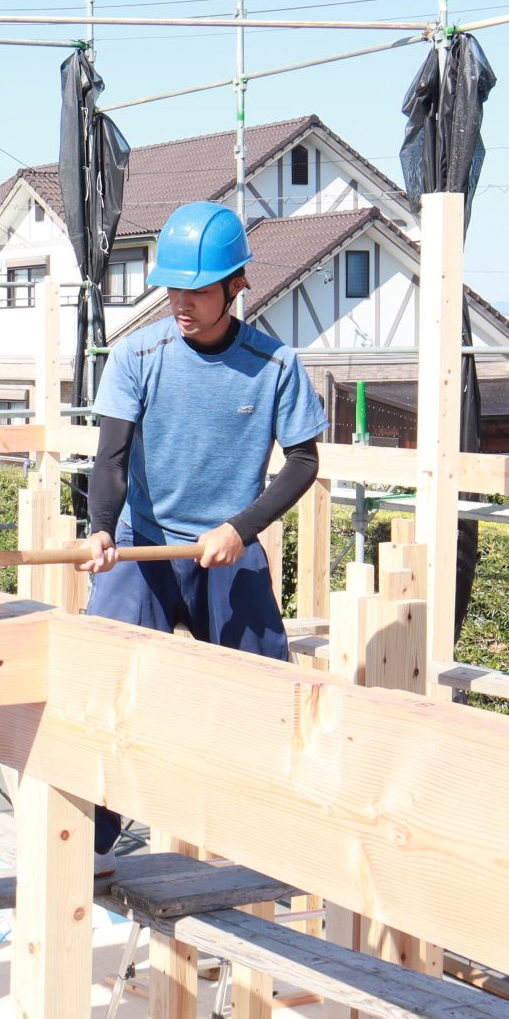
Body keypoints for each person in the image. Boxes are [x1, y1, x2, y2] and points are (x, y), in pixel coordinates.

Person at [77, 201, 325, 854]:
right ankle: (90, 845)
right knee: (103, 675)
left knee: (266, 691)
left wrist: (241, 528)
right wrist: (101, 529)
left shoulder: (275, 365)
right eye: (173, 289)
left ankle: (265, 845)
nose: (182, 303)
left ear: (237, 285)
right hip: (145, 545)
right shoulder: (138, 354)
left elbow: (304, 462)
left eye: (199, 290)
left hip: (227, 548)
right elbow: (111, 458)